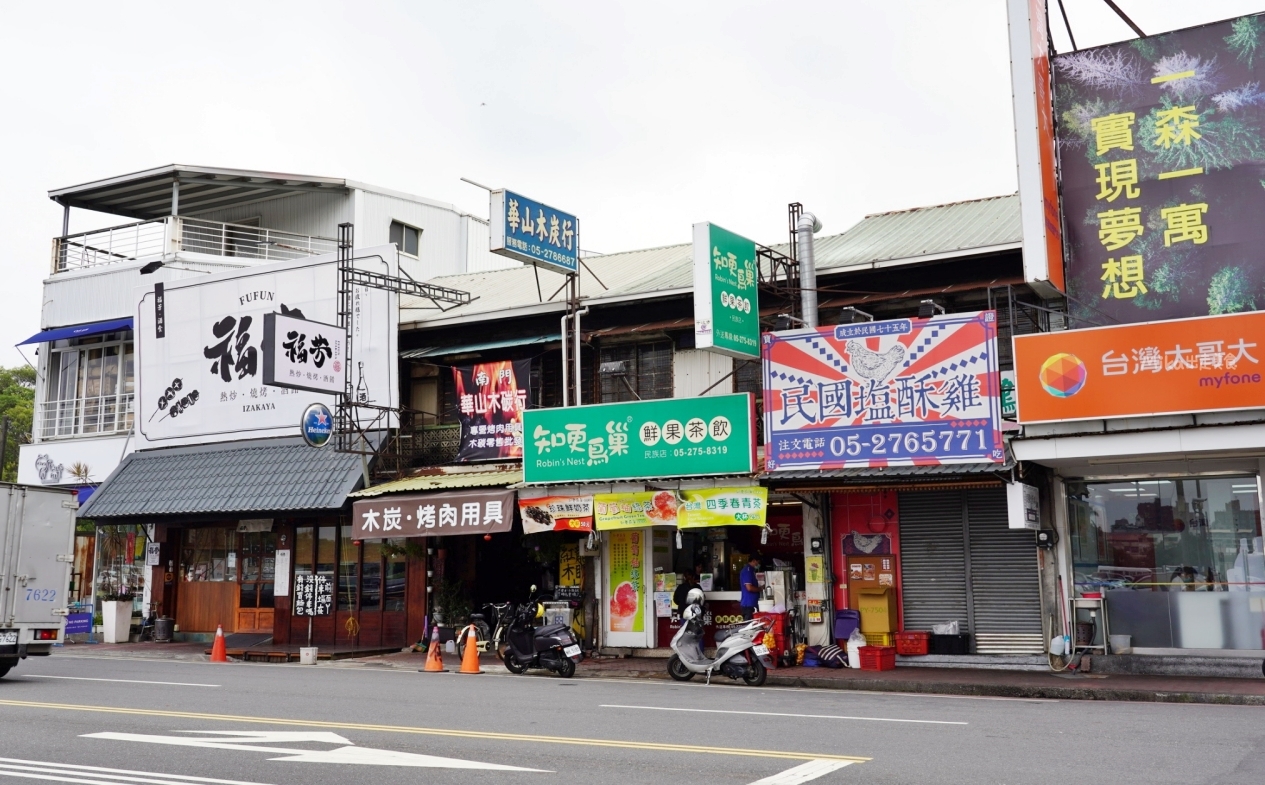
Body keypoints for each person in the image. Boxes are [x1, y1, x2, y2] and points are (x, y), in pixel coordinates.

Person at [739, 553, 762, 620]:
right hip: (748, 605)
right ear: (754, 561)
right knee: (749, 627)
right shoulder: (747, 570)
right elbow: (749, 588)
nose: (758, 564)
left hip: (752, 604)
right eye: (758, 562)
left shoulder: (752, 571)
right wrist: (760, 588)